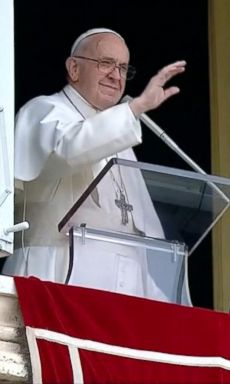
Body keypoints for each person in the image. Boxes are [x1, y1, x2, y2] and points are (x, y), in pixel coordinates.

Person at [1, 27, 188, 303]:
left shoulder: (121, 140)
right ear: (74, 68)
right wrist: (135, 109)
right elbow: (68, 150)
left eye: (123, 68)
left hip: (123, 300)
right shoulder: (43, 112)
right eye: (105, 63)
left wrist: (173, 309)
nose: (116, 75)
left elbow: (145, 240)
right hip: (52, 284)